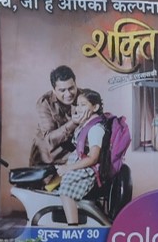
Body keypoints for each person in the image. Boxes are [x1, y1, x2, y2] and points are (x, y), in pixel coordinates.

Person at [54, 89, 106, 225]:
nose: (78, 108)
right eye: (78, 104)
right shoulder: (86, 125)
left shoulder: (96, 128)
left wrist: (68, 168)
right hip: (79, 165)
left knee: (66, 191)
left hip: (87, 169)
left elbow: (93, 158)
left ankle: (72, 227)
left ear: (95, 107)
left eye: (83, 104)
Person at [30, 64, 84, 166]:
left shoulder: (85, 97)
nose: (68, 94)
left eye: (71, 88)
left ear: (75, 84)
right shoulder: (44, 103)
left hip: (73, 157)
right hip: (46, 159)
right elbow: (50, 140)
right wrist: (73, 122)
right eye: (62, 90)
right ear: (54, 90)